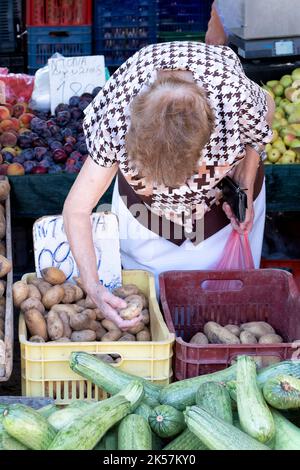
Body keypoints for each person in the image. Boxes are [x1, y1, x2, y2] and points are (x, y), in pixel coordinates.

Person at [63, 41, 275, 330]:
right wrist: (93, 285)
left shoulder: (231, 94)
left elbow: (267, 108)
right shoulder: (117, 117)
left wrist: (245, 184)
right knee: (152, 303)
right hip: (147, 219)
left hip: (219, 212)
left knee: (222, 307)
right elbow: (77, 209)